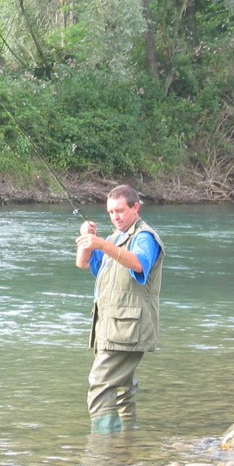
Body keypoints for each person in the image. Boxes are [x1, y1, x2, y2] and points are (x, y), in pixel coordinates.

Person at [75, 184, 164, 433]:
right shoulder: (113, 239)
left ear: (136, 208)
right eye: (111, 212)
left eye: (120, 211)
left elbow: (139, 264)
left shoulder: (145, 237)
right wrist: (86, 240)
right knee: (122, 389)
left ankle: (104, 445)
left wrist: (102, 245)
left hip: (128, 331)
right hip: (109, 328)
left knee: (100, 385)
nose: (115, 217)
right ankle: (126, 441)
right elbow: (82, 263)